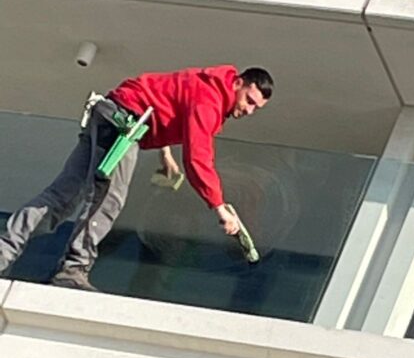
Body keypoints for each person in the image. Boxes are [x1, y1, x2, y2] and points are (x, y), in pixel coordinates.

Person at [0, 64, 273, 291]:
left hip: (110, 113)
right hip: (123, 126)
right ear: (238, 83)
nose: (248, 110)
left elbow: (160, 101)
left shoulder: (205, 85)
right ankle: (73, 269)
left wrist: (164, 152)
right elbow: (198, 158)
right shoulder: (210, 99)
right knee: (108, 200)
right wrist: (219, 206)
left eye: (256, 108)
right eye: (249, 100)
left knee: (63, 195)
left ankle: (5, 250)